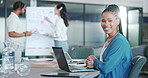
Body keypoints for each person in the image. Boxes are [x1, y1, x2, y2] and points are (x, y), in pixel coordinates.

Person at [86, 4, 133, 78]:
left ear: (118, 21)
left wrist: (94, 61)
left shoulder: (119, 41)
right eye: (103, 21)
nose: (106, 24)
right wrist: (92, 62)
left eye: (110, 20)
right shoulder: (109, 39)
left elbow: (106, 68)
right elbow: (106, 62)